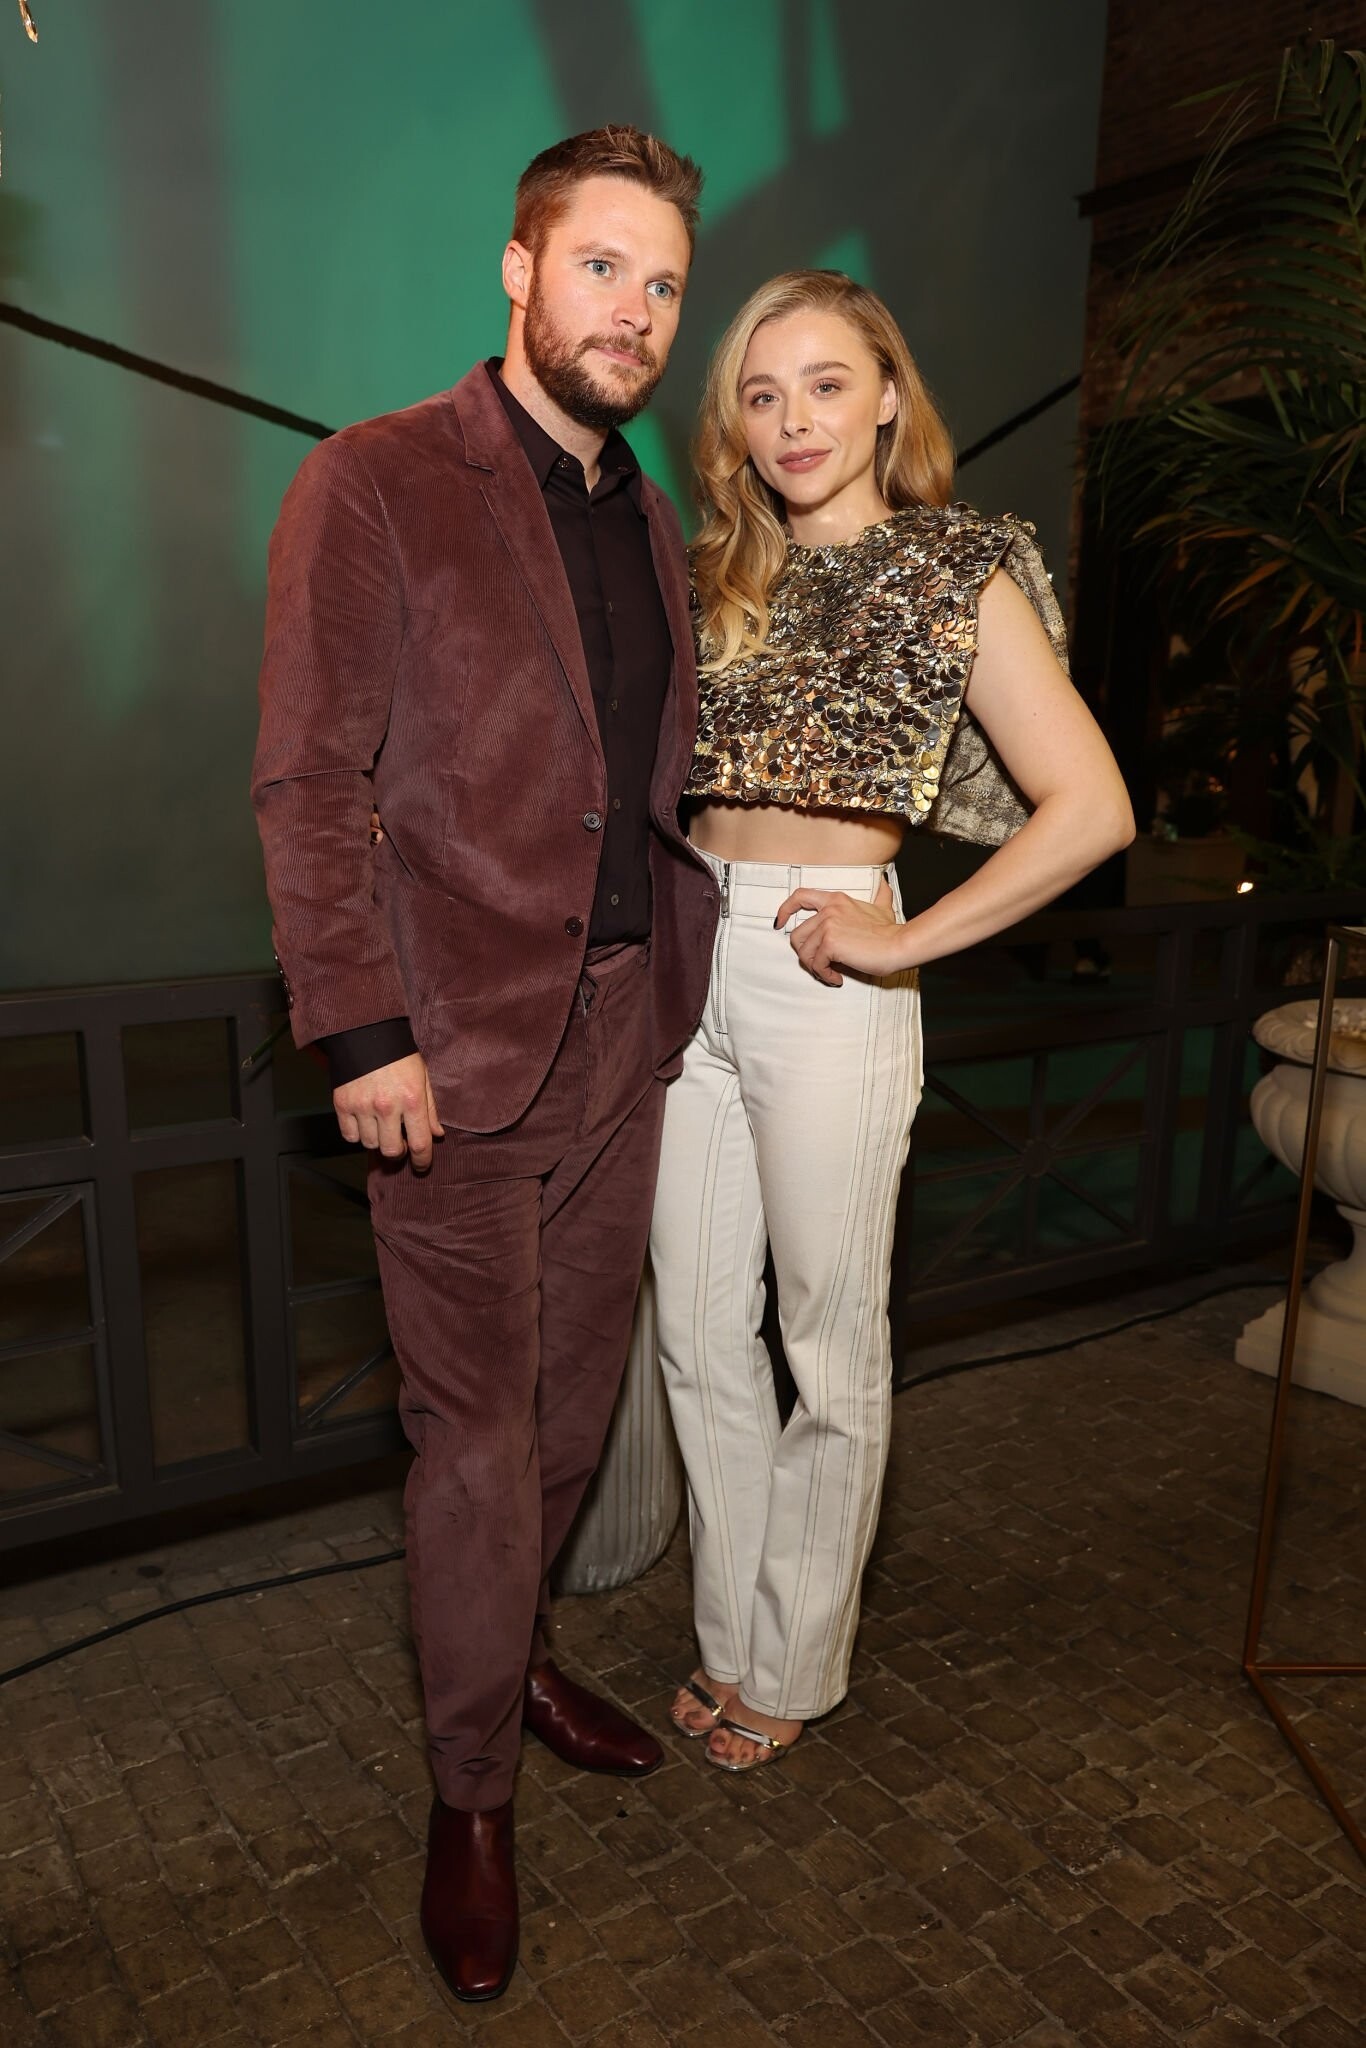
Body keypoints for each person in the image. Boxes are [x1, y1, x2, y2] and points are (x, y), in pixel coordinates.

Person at [252, 127, 717, 2005]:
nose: (635, 311)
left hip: (626, 1028)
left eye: (662, 283)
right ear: (517, 271)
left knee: (573, 1406)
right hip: (449, 1054)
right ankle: (469, 1801)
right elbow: (310, 777)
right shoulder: (375, 479)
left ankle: (511, 1659)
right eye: (601, 266)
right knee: (474, 1442)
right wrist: (363, 1031)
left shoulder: (645, 514)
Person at [651, 270, 1134, 1773]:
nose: (793, 419)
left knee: (825, 1334)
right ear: (734, 426)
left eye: (824, 384)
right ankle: (729, 1636)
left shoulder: (951, 566)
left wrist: (906, 937)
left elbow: (1092, 807)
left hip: (826, 972)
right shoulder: (706, 578)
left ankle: (795, 1661)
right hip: (684, 963)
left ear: (884, 401)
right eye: (761, 393)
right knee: (695, 1336)